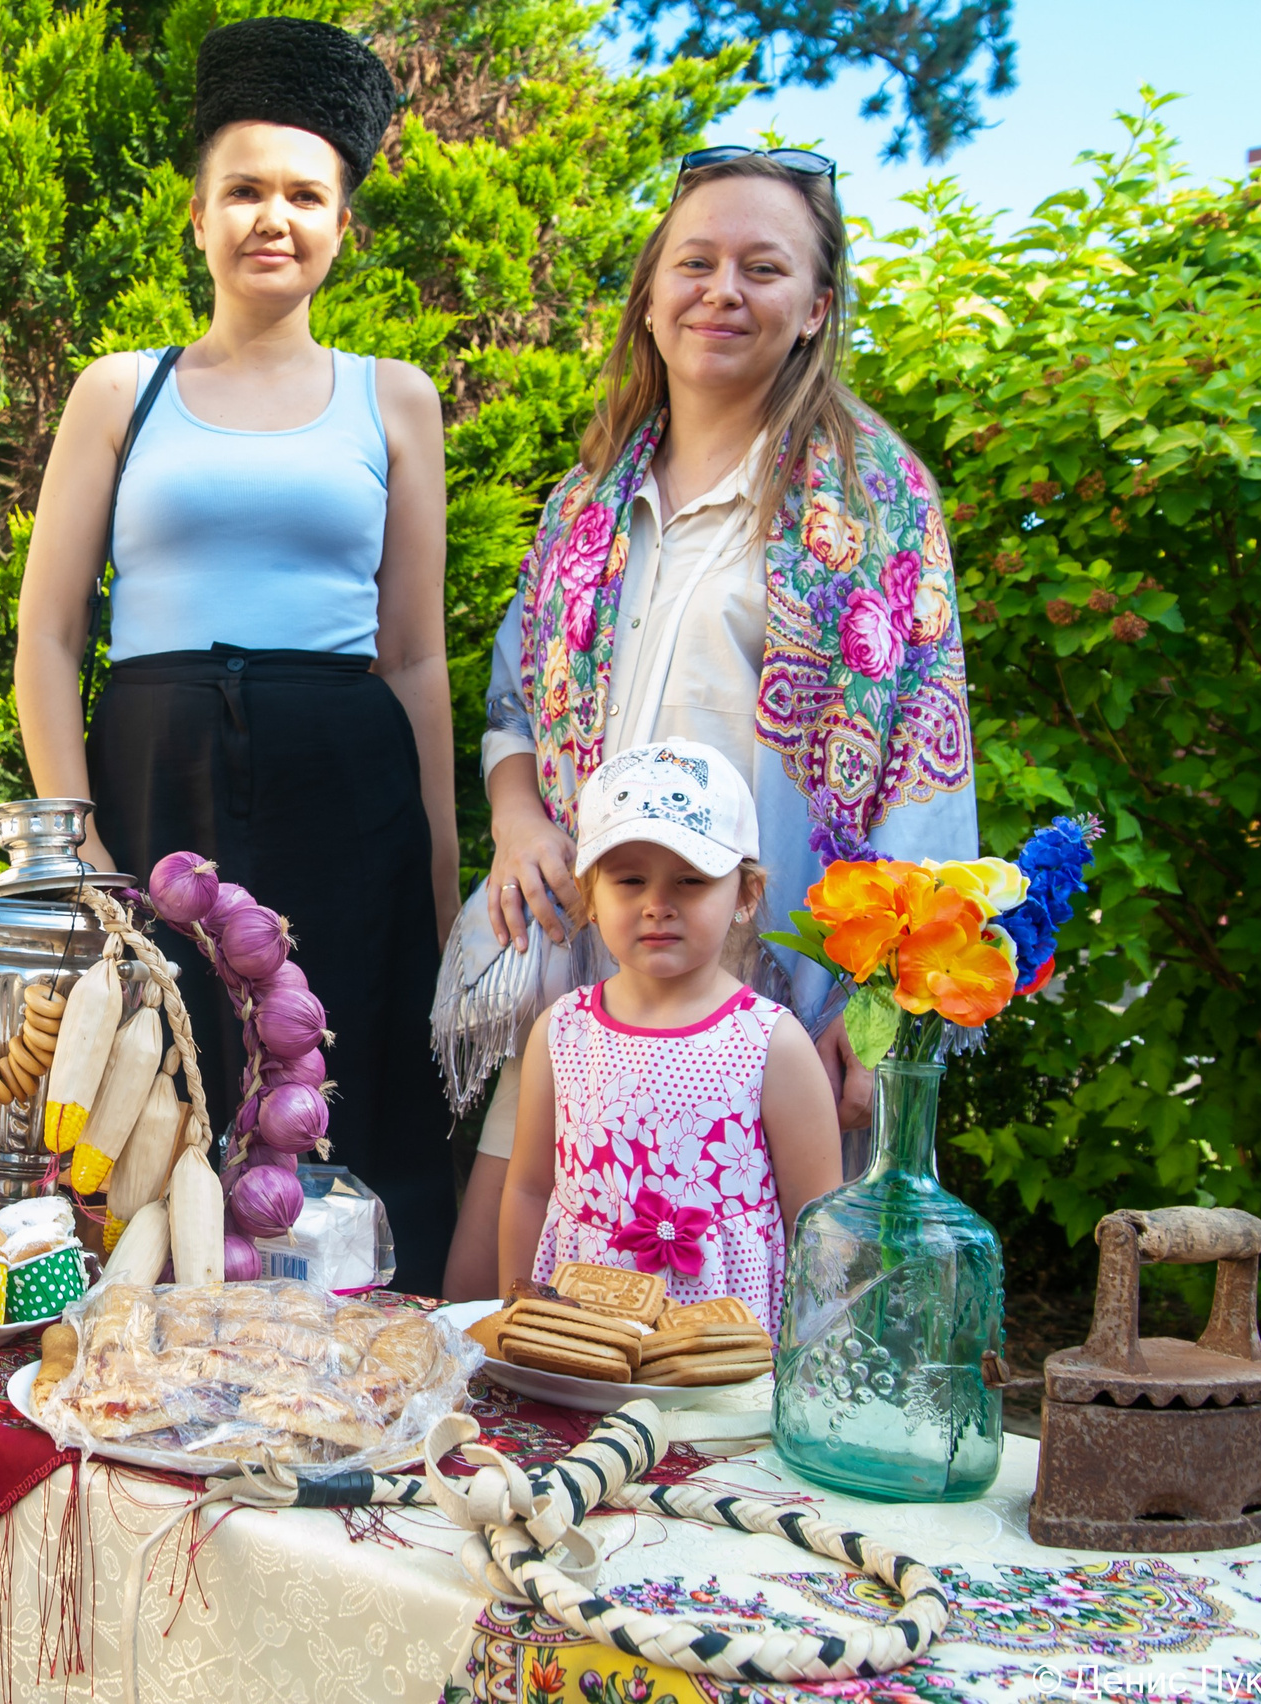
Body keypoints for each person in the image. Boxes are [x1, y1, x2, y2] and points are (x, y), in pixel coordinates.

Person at [437, 146, 977, 1300]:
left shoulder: (876, 502)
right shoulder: (585, 501)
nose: (721, 291)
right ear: (650, 294)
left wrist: (881, 1013)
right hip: (585, 970)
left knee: (742, 1315)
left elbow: (923, 772)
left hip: (767, 1000)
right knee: (494, 1296)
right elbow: (513, 699)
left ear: (815, 306)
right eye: (695, 262)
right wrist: (518, 818)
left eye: (762, 268)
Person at [13, 17, 459, 1291]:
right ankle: (140, 1336)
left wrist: (439, 872)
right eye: (246, 190)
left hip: (348, 789)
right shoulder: (120, 391)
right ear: (198, 217)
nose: (275, 217)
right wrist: (75, 849)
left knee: (345, 1086)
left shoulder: (395, 397)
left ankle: (357, 1344)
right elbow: (48, 636)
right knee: (155, 1078)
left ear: (341, 225)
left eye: (305, 195)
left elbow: (414, 660)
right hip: (156, 779)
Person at [496, 741, 841, 1328]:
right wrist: (517, 1318)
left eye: (690, 880)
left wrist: (811, 1355)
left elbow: (817, 1225)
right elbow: (529, 1190)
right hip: (583, 1332)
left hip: (722, 1345)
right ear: (590, 895)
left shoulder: (772, 1043)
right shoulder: (562, 1032)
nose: (657, 905)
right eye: (630, 880)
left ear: (745, 896)